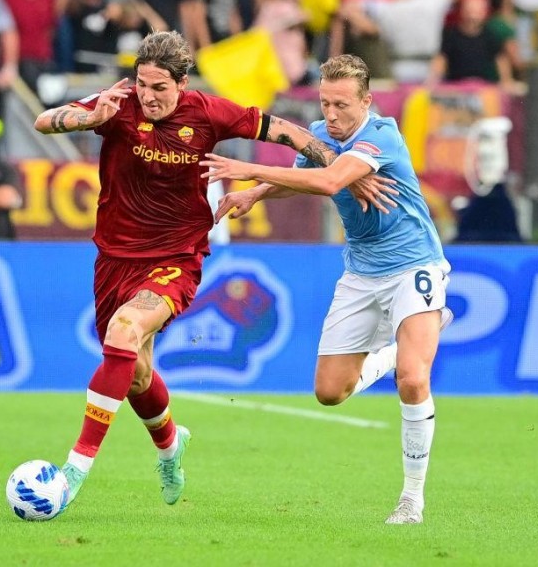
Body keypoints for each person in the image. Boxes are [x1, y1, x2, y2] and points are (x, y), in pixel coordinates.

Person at [33, 31, 386, 509]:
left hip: (176, 256)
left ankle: (73, 471)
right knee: (134, 371)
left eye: (159, 87)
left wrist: (344, 169)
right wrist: (86, 119)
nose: (148, 96)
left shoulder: (208, 112)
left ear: (181, 84)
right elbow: (43, 120)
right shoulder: (115, 102)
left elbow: (291, 133)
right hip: (114, 259)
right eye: (142, 84)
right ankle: (171, 445)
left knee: (124, 329)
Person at [200, 54, 452, 525]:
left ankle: (411, 500)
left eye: (342, 105)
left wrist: (252, 171)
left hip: (413, 266)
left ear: (367, 102)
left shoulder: (381, 135)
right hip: (360, 272)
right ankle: (396, 352)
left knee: (415, 380)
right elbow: (305, 180)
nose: (332, 115)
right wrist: (256, 195)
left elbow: (331, 180)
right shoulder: (320, 136)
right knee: (329, 392)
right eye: (325, 103)